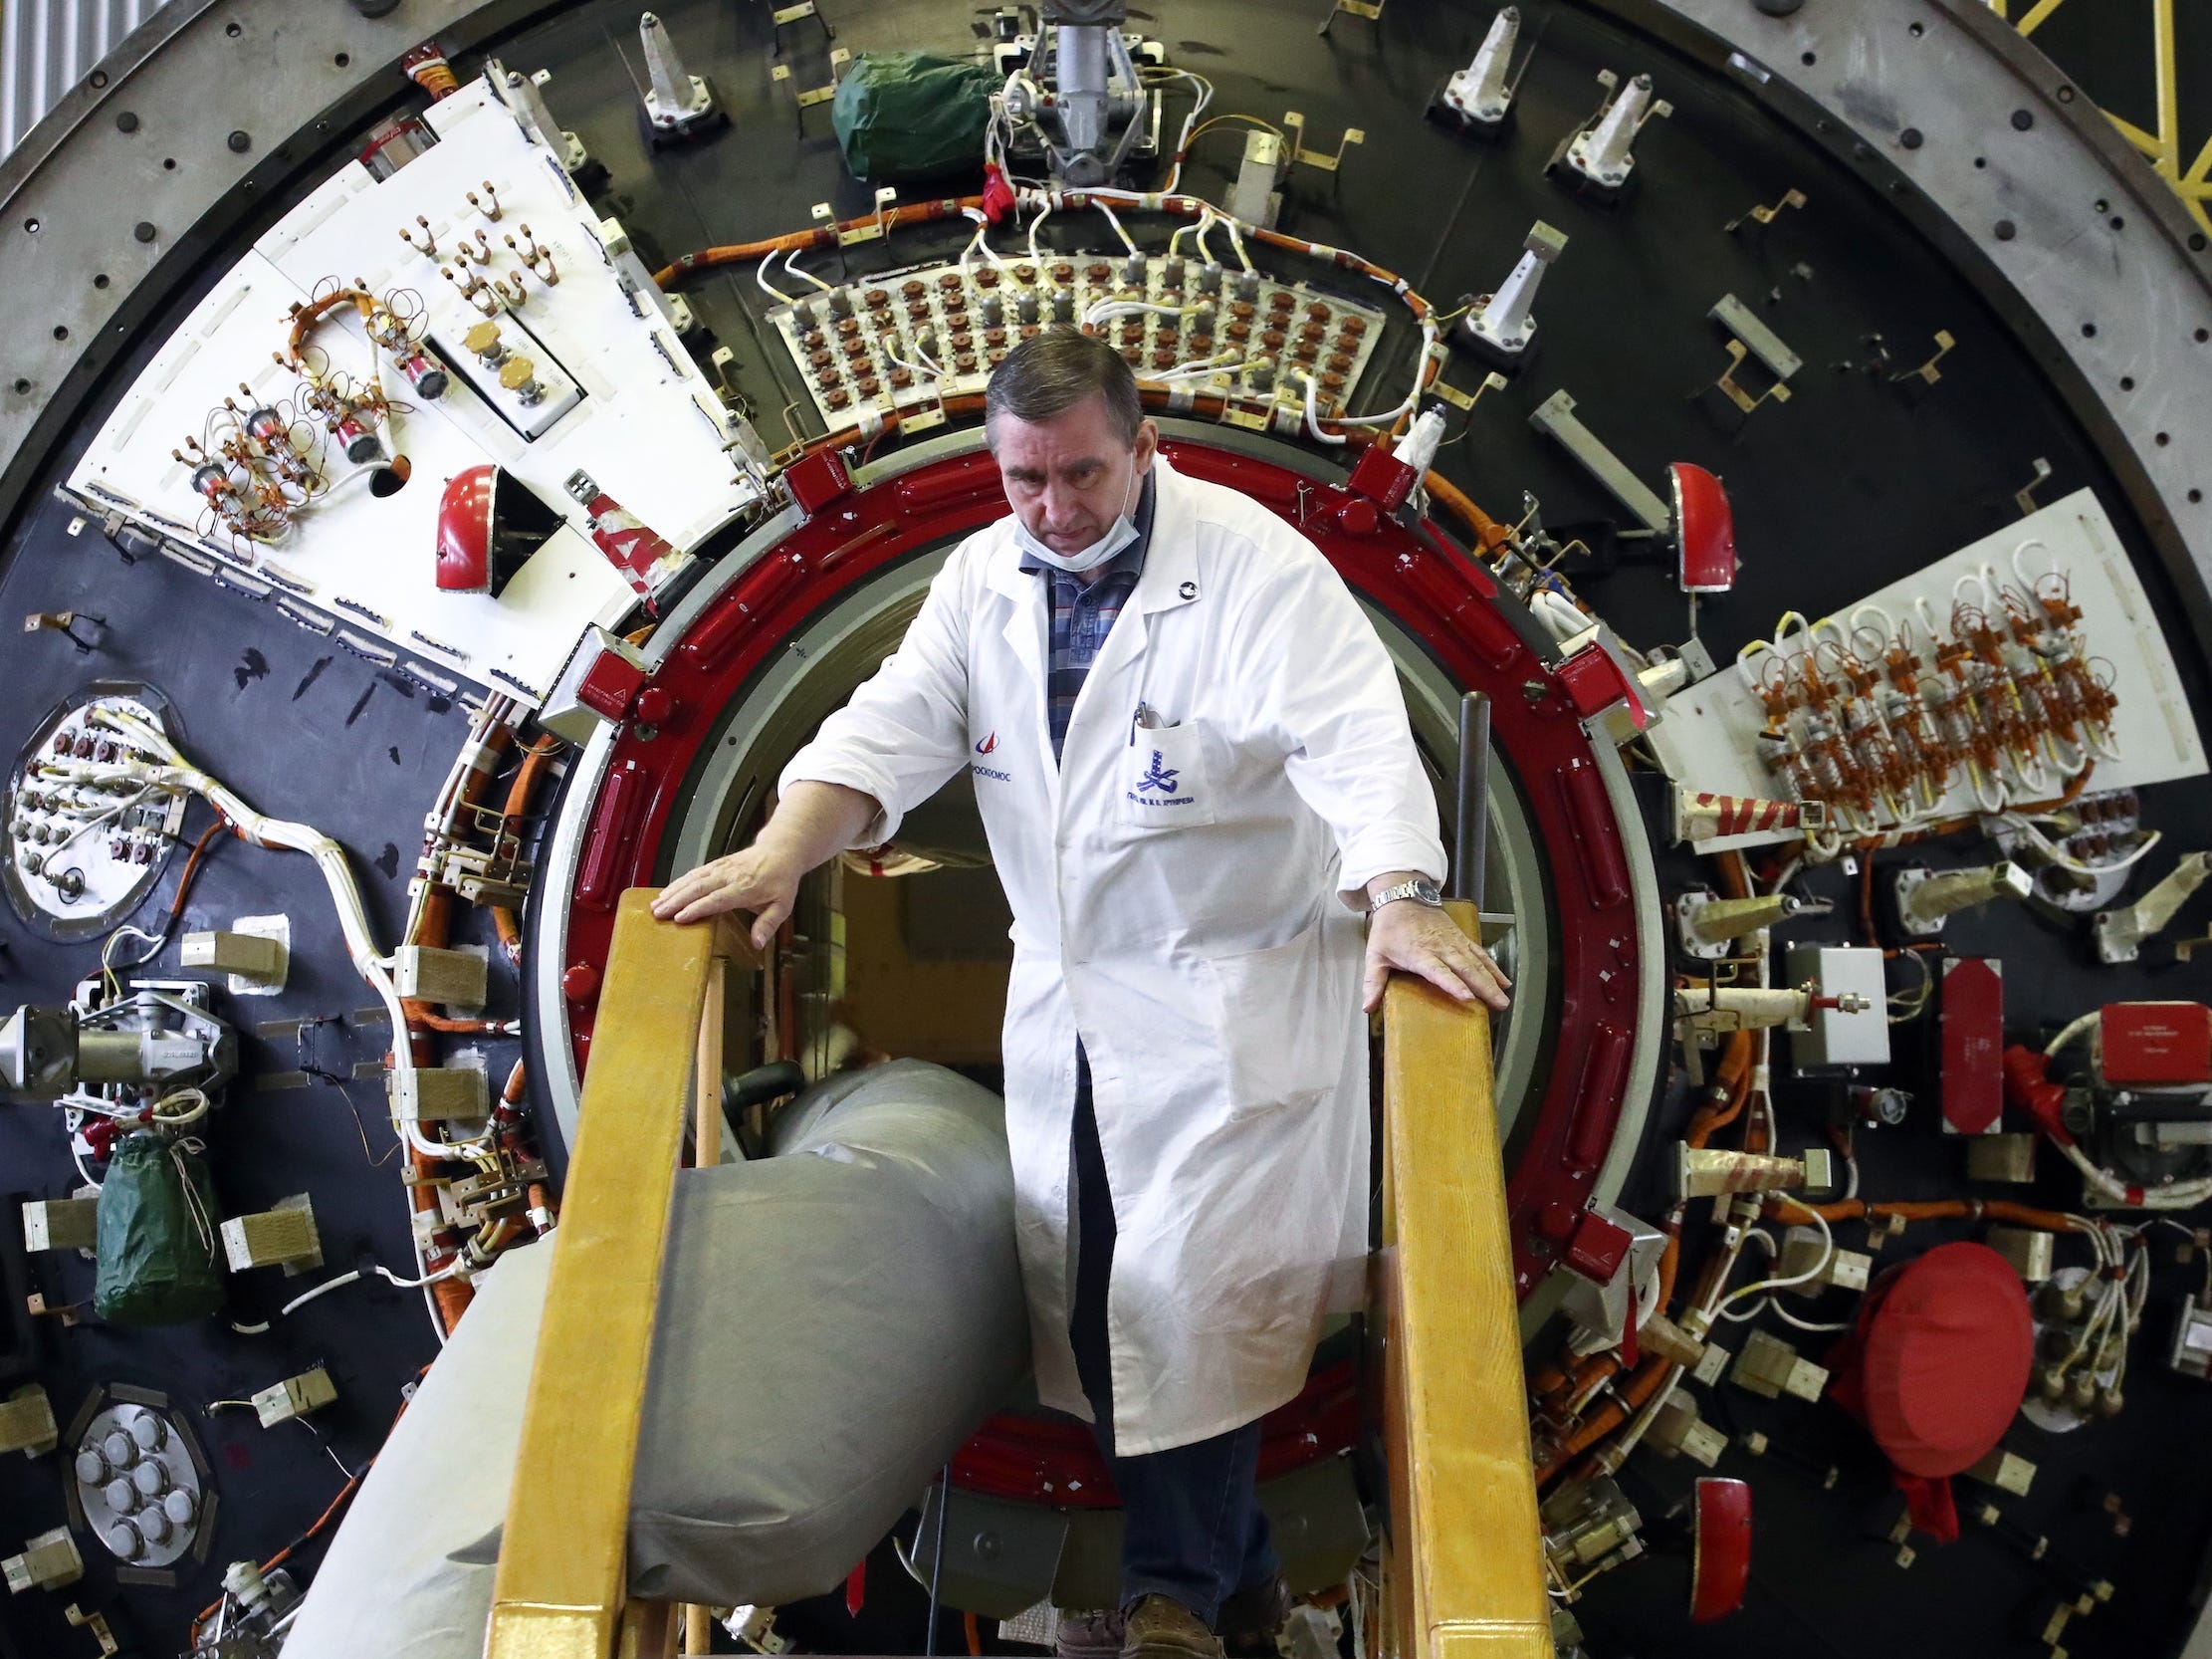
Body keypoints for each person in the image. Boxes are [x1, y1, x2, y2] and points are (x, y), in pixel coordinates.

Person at [652, 331, 1510, 1659]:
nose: (1051, 509)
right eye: (1023, 480)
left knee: (1186, 1291)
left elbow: (1352, 735)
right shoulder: (984, 580)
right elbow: (887, 727)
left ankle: (1172, 1594)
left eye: (1080, 476)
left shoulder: (1251, 569)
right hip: (1068, 1008)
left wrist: (1396, 892)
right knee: (1110, 1304)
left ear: (1142, 445)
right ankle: (1237, 1584)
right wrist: (777, 850)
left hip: (1232, 1002)